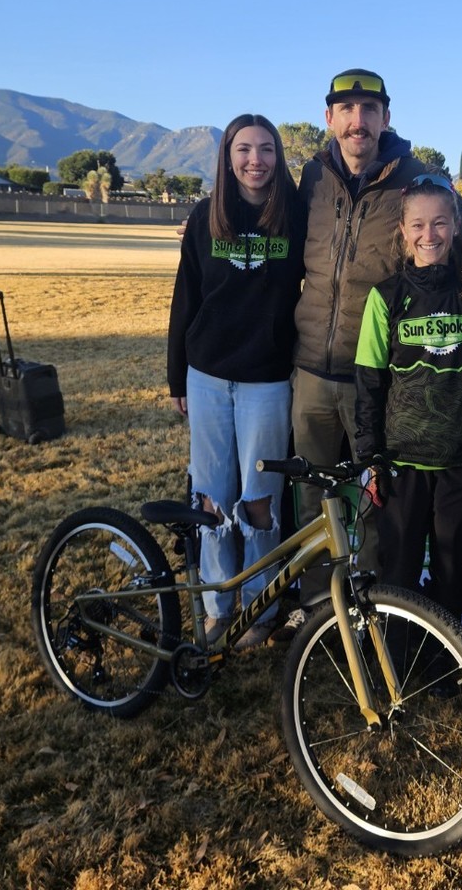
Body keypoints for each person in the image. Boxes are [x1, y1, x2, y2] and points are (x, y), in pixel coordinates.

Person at [279, 69, 462, 640]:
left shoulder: (416, 179)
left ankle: (376, 613)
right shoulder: (312, 178)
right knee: (315, 495)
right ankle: (322, 609)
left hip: (378, 373)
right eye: (345, 109)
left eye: (369, 109)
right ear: (329, 119)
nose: (357, 120)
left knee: (374, 503)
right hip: (310, 370)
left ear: (385, 117)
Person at [167, 113, 305, 648]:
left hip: (266, 381)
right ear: (227, 157)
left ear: (278, 156)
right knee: (212, 496)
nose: (255, 160)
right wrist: (176, 373)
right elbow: (186, 300)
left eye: (266, 149)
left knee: (259, 498)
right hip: (207, 377)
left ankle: (259, 607)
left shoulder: (294, 215)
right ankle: (217, 605)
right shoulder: (205, 217)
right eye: (244, 149)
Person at [354, 174, 462, 618]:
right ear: (403, 231)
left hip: (460, 462)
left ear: (454, 226)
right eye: (417, 225)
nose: (428, 235)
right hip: (402, 466)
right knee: (400, 574)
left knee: (453, 572)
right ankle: (397, 659)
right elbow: (369, 384)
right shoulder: (385, 297)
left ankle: (450, 670)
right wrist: (371, 458)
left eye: (439, 224)